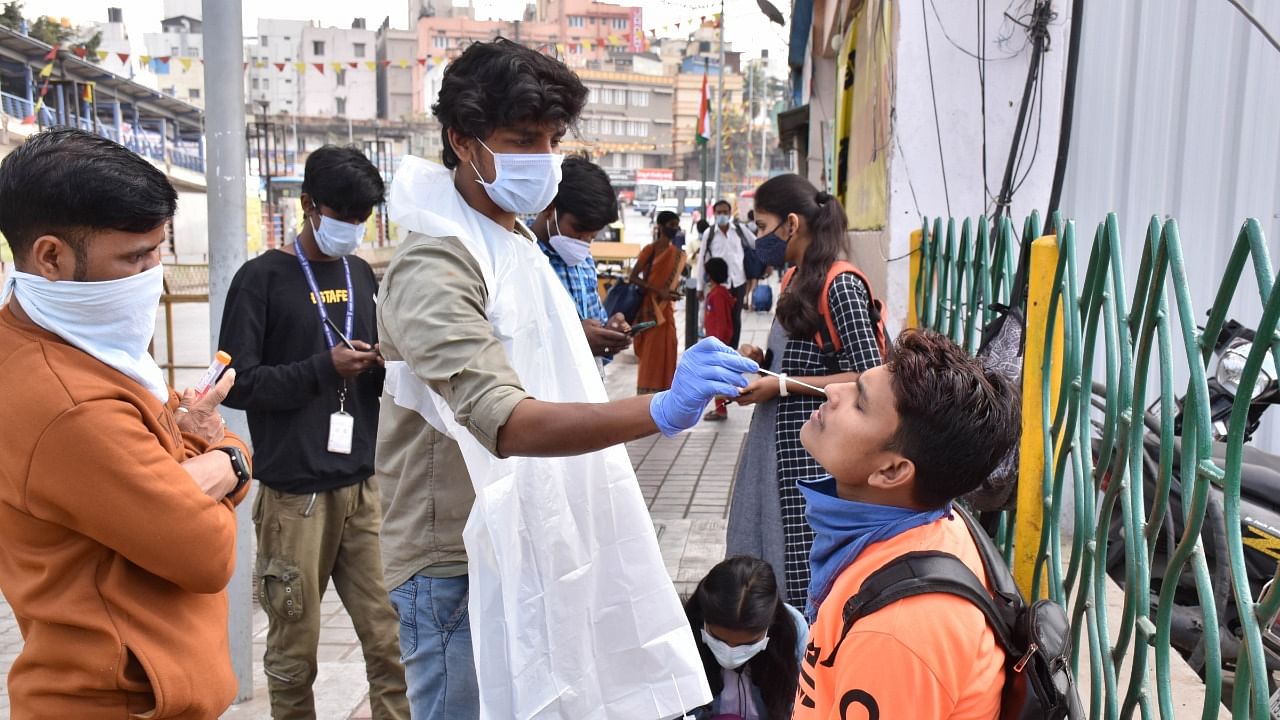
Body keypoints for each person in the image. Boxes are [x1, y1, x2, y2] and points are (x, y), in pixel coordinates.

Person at [374, 39, 756, 719]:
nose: (544, 158)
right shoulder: (435, 259)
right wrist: (661, 408)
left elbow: (523, 343)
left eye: (552, 139)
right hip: (455, 560)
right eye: (523, 139)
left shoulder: (508, 235)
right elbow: (507, 419)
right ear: (464, 142)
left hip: (530, 531)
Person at [0, 127, 252, 718]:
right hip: (120, 700)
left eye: (158, 251)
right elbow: (206, 553)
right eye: (136, 257)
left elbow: (168, 452)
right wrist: (230, 458)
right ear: (52, 256)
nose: (153, 275)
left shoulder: (66, 343)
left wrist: (185, 458)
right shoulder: (70, 403)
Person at [217, 146, 408, 719]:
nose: (351, 227)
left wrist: (376, 366)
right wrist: (324, 368)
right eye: (341, 213)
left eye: (362, 217)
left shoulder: (358, 273)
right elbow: (239, 382)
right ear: (307, 205)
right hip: (294, 494)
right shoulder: (261, 280)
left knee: (390, 639)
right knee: (294, 651)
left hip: (361, 487)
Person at [793, 329, 1016, 719]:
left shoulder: (898, 630)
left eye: (859, 403)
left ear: (893, 470)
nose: (833, 392)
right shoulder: (928, 524)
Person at [726, 174, 884, 610]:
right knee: (770, 559)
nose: (759, 238)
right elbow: (805, 360)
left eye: (761, 226)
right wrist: (764, 360)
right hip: (777, 450)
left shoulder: (842, 285)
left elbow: (869, 377)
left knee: (801, 576)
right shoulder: (795, 278)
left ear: (791, 224)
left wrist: (778, 383)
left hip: (812, 462)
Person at [531, 156, 632, 360]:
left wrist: (609, 330)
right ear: (550, 208)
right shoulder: (523, 257)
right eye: (578, 229)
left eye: (592, 236)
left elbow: (594, 321)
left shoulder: (584, 260)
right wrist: (573, 340)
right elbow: (512, 342)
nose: (583, 242)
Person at [685, 556, 808, 720]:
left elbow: (804, 704)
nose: (730, 653)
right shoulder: (683, 637)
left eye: (747, 644)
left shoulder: (793, 630)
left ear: (770, 628)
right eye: (718, 639)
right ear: (703, 620)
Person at [630, 209, 687, 394]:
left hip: (666, 310)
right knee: (650, 354)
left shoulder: (677, 254)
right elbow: (633, 277)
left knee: (669, 349)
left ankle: (666, 392)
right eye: (671, 225)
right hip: (651, 309)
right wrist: (658, 291)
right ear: (661, 227)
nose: (675, 228)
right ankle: (646, 394)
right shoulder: (650, 250)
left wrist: (671, 294)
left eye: (677, 225)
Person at [694, 199, 757, 348]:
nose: (722, 215)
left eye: (725, 212)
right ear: (714, 214)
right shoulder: (709, 234)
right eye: (719, 212)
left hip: (738, 282)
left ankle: (732, 351)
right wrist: (699, 287)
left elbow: (756, 243)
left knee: (735, 319)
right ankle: (720, 349)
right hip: (718, 285)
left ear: (730, 213)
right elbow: (702, 260)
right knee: (720, 319)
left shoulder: (739, 230)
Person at [702, 257, 735, 421]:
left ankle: (721, 410)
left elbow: (721, 321)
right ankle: (719, 408)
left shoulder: (718, 295)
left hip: (718, 343)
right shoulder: (717, 293)